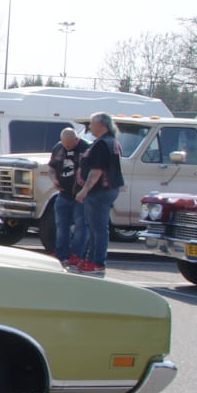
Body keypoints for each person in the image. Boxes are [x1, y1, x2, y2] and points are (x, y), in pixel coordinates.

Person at [68, 113, 123, 278]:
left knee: (97, 229)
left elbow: (97, 170)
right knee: (96, 228)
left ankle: (97, 263)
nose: (90, 127)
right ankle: (91, 260)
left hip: (100, 191)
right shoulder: (112, 142)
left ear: (102, 125)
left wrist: (84, 190)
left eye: (92, 123)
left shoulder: (102, 144)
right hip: (107, 190)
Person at [48, 126, 88, 267]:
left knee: (80, 227)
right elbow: (51, 167)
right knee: (61, 226)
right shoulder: (58, 148)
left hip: (80, 196)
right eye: (65, 144)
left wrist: (84, 190)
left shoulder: (86, 149)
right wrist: (54, 180)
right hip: (63, 194)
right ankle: (60, 254)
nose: (67, 147)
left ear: (77, 139)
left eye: (70, 144)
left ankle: (76, 255)